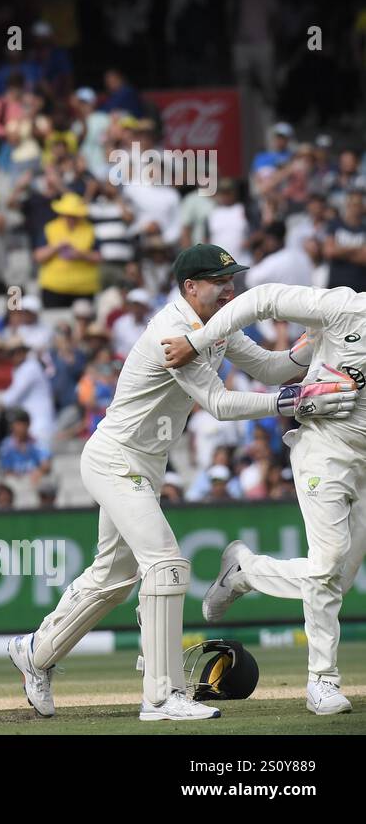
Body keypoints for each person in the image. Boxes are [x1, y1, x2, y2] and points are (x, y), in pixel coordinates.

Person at [7, 245, 351, 721]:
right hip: (114, 457)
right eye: (219, 281)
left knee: (112, 578)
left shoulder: (215, 328)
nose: (230, 289)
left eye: (232, 280)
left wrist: (307, 348)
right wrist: (296, 402)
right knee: (166, 565)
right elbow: (220, 404)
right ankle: (161, 697)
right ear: (191, 287)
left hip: (146, 463)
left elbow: (270, 368)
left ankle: (34, 652)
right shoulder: (175, 331)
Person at [161, 281, 366, 715]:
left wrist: (308, 351)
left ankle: (246, 571)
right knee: (327, 566)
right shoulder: (345, 308)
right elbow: (261, 298)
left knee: (335, 580)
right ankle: (322, 682)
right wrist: (198, 342)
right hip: (325, 449)